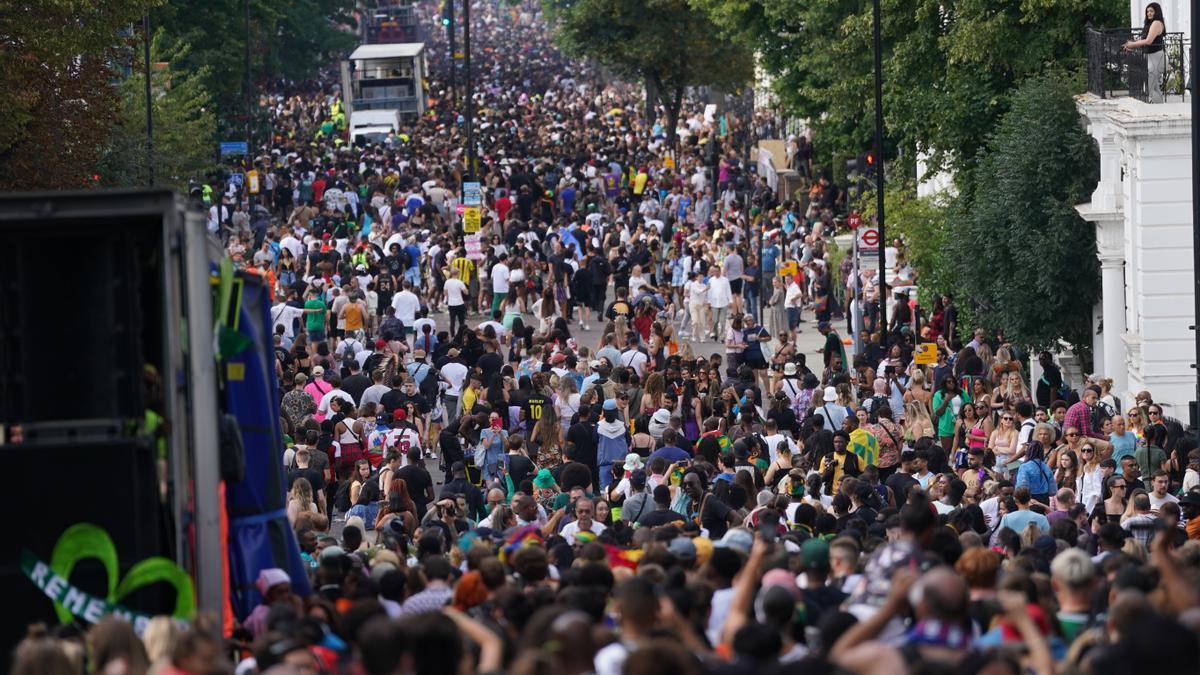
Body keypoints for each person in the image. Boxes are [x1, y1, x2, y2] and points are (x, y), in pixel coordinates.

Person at [1124, 3, 1168, 103]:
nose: (1149, 13)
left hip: (1157, 58)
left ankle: (1157, 107)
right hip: (1151, 58)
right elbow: (1143, 40)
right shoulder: (1150, 24)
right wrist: (1131, 45)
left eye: (1151, 11)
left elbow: (1148, 41)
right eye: (1147, 11)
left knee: (1149, 88)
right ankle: (1160, 108)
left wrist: (1132, 45)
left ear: (1157, 12)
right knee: (1154, 87)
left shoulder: (1156, 23)